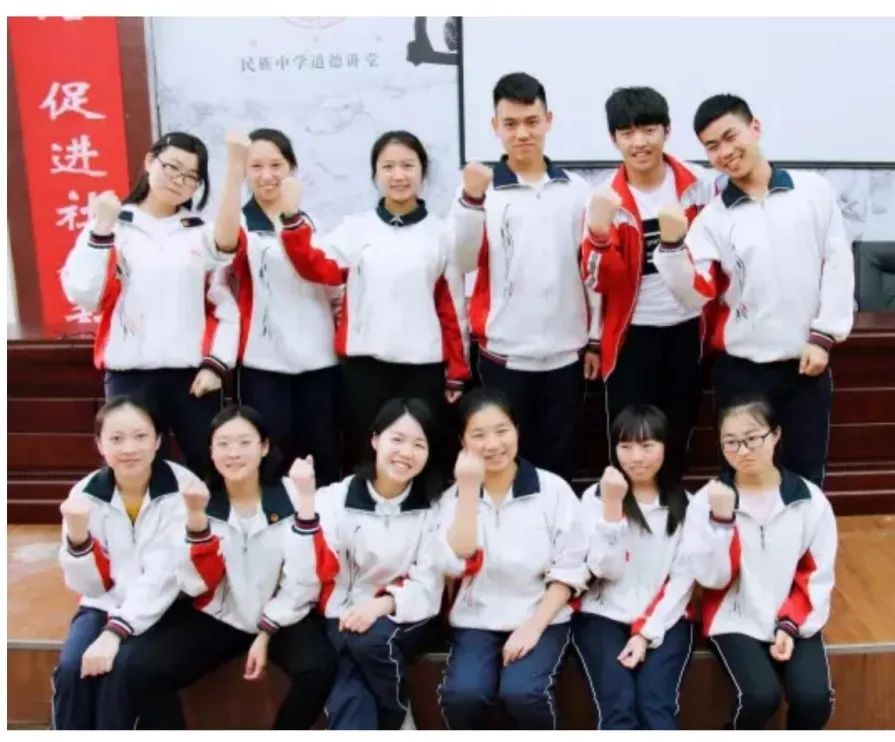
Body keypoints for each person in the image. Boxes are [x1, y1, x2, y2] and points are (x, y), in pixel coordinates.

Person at [653, 93, 855, 486]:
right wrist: (672, 247)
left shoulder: (813, 191)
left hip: (805, 362)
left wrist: (823, 336)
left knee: (804, 474)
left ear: (755, 128)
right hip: (742, 370)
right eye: (712, 146)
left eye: (731, 137)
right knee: (740, 477)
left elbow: (837, 262)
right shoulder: (712, 218)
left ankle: (803, 531)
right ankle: (738, 530)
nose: (725, 152)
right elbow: (694, 294)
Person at [125, 405, 335, 729]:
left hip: (283, 616)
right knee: (142, 668)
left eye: (244, 443)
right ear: (211, 451)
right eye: (223, 444)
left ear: (264, 447)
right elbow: (193, 584)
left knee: (319, 667)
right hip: (222, 615)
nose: (233, 453)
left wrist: (267, 630)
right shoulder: (196, 501)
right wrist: (197, 524)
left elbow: (305, 578)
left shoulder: (296, 496)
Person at [273, 130, 471, 470]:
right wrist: (291, 219)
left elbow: (451, 309)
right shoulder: (355, 229)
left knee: (421, 453)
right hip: (364, 369)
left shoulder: (441, 235)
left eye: (408, 166)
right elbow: (316, 267)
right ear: (375, 174)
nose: (398, 175)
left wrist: (456, 372)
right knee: (364, 453)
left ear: (422, 172)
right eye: (388, 167)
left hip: (422, 370)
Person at [60, 131, 238, 477]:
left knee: (210, 468)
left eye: (191, 176)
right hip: (130, 375)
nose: (178, 180)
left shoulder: (201, 232)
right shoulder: (113, 225)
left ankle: (208, 517)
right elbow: (85, 294)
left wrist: (216, 365)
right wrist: (102, 228)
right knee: (132, 471)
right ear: (149, 162)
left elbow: (224, 305)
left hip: (193, 377)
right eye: (172, 167)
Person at [450, 72, 600, 482]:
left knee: (560, 463)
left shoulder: (576, 190)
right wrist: (471, 201)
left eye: (532, 122)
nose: (522, 134)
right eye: (511, 124)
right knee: (503, 464)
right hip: (504, 355)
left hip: (567, 355)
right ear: (495, 126)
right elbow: (462, 260)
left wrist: (595, 339)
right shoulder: (479, 193)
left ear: (549, 120)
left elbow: (591, 272)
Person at [280, 397, 444, 730]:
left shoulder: (435, 507)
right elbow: (315, 567)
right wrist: (306, 501)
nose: (406, 452)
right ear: (375, 440)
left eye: (419, 444)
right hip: (342, 613)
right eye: (397, 439)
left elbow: (428, 581)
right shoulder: (335, 498)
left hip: (404, 613)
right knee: (350, 698)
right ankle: (399, 718)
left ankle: (395, 716)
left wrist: (380, 605)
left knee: (367, 641)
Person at [582, 87, 717, 485]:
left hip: (689, 330)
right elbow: (600, 280)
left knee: (677, 428)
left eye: (648, 130)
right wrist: (599, 233)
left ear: (667, 130)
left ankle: (671, 507)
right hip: (632, 335)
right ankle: (625, 512)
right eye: (627, 133)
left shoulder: (700, 185)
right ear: (614, 139)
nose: (639, 142)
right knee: (629, 436)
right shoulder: (605, 198)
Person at [680, 396, 836, 729]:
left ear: (775, 434)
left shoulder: (809, 500)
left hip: (793, 617)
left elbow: (816, 575)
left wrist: (789, 626)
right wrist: (721, 522)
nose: (743, 450)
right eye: (731, 442)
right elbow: (712, 579)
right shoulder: (706, 500)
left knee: (813, 701)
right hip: (733, 618)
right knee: (759, 697)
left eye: (752, 438)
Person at [436, 387, 588, 730]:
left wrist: (532, 628)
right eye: (478, 435)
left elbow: (570, 569)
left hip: (542, 614)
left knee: (523, 693)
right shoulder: (452, 498)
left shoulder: (553, 490)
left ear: (517, 430)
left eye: (502, 431)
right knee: (463, 695)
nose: (492, 444)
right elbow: (455, 560)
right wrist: (468, 490)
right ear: (462, 442)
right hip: (476, 619)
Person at [53, 395, 199, 729]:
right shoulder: (84, 494)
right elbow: (88, 587)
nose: (129, 448)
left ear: (158, 441)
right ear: (99, 444)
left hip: (164, 607)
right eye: (116, 439)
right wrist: (78, 541)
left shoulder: (184, 490)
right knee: (72, 668)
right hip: (103, 603)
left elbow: (165, 575)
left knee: (121, 672)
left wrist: (115, 632)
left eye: (140, 436)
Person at [214, 127, 342, 484]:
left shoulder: (311, 221)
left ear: (292, 168)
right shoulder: (239, 221)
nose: (267, 175)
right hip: (263, 362)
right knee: (270, 456)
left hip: (320, 359)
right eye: (255, 166)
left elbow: (331, 283)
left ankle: (321, 519)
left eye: (276, 165)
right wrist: (232, 171)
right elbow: (223, 245)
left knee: (323, 454)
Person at [572, 404, 694, 730]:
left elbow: (683, 580)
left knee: (655, 704)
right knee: (618, 705)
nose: (636, 458)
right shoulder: (595, 498)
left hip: (666, 617)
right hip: (602, 614)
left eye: (647, 446)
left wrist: (645, 633)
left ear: (666, 447)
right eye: (625, 446)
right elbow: (604, 570)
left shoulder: (686, 504)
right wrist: (612, 507)